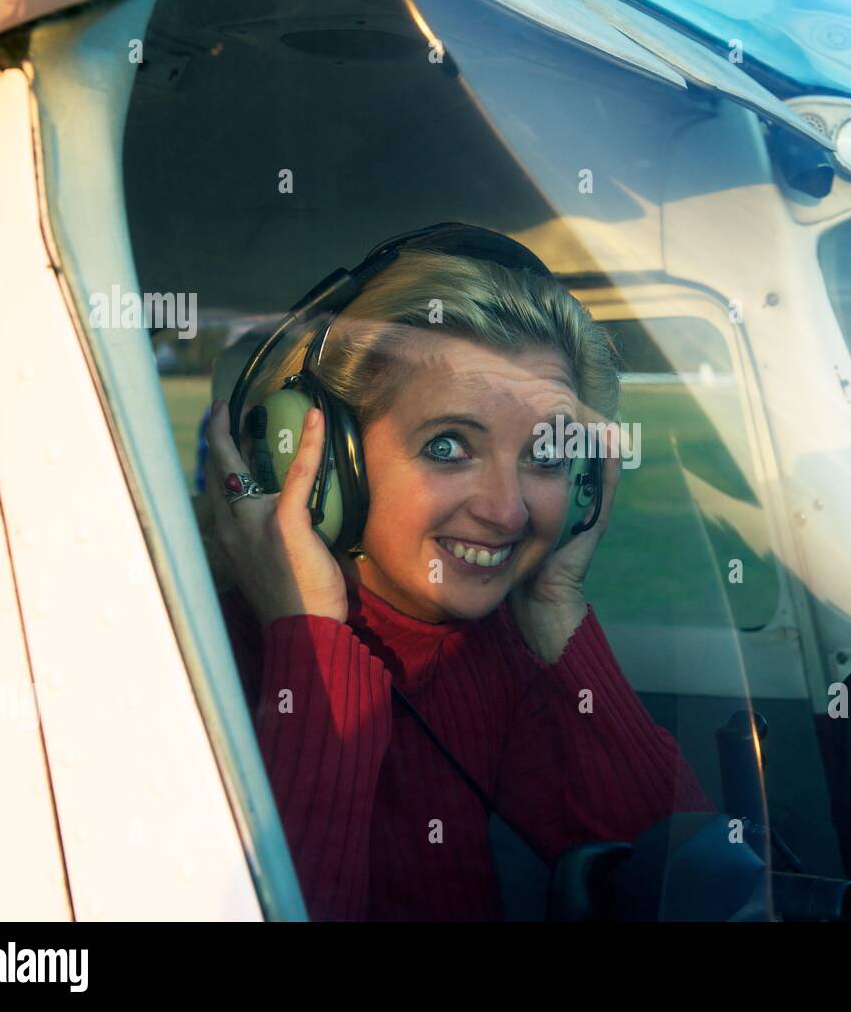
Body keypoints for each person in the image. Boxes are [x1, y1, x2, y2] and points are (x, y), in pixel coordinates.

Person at [201, 229, 716, 921]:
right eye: (448, 446)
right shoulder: (198, 668)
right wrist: (309, 637)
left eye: (546, 455)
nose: (507, 511)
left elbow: (684, 879)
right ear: (324, 464)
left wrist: (558, 616)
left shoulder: (490, 649)